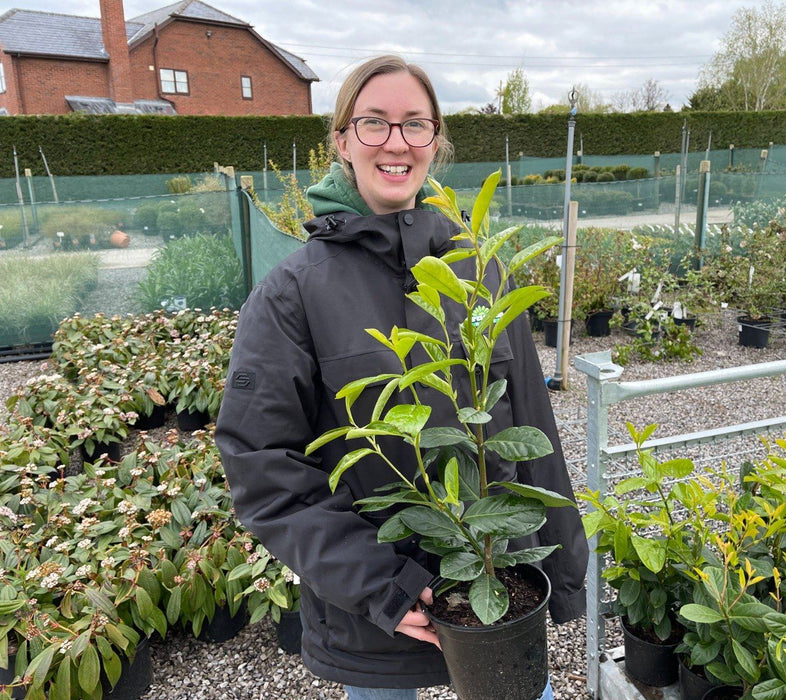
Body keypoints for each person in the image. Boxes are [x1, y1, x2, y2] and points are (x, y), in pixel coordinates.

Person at [215, 55, 587, 700]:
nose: (396, 142)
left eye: (416, 124)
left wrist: (565, 572)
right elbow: (261, 464)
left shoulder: (480, 272)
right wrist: (381, 585)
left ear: (435, 140)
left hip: (501, 587)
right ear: (342, 141)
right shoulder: (292, 294)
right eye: (374, 123)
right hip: (376, 619)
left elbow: (532, 427)